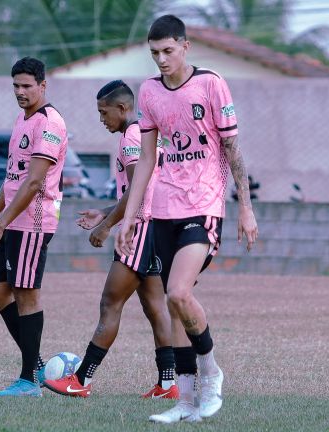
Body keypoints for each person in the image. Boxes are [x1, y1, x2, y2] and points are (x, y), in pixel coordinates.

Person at [115, 15, 258, 423]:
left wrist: (245, 206)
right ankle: (185, 400)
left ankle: (211, 372)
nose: (161, 59)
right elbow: (146, 159)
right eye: (155, 53)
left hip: (204, 205)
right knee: (174, 304)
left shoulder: (211, 83)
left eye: (168, 51)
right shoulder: (148, 92)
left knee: (177, 293)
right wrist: (130, 216)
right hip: (163, 209)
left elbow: (232, 149)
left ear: (184, 46)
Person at [43, 80, 178, 400]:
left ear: (123, 108)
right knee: (155, 307)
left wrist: (106, 227)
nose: (102, 119)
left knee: (110, 303)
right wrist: (103, 213)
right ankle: (170, 385)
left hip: (140, 230)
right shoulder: (144, 133)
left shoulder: (133, 136)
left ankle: (81, 379)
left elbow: (137, 189)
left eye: (104, 113)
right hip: (156, 227)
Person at [0, 57, 68, 397]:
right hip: (11, 220)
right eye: (16, 86)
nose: (21, 92)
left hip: (32, 222)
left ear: (43, 86)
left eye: (28, 85)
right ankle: (38, 365)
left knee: (26, 295)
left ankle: (30, 379)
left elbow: (32, 184)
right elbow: (13, 179)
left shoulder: (49, 123)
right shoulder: (22, 119)